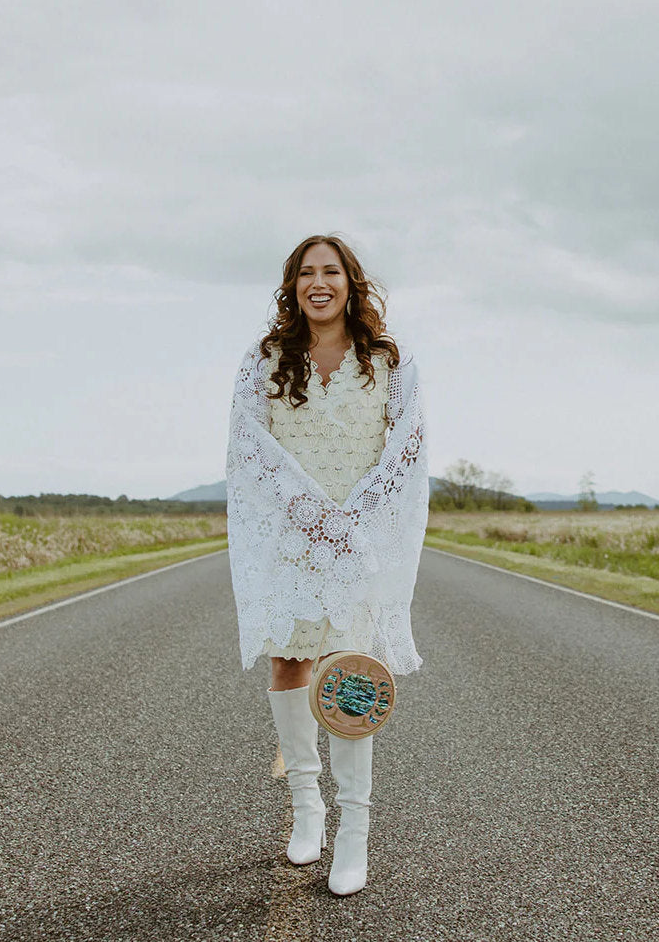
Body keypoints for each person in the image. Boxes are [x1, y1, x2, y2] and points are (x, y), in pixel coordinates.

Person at [225, 233, 428, 896]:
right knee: (291, 661)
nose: (319, 281)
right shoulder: (263, 361)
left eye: (330, 271)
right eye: (306, 272)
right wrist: (309, 513)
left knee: (349, 675)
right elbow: (249, 446)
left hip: (358, 541)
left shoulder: (388, 361)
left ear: (350, 282)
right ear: (292, 285)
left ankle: (354, 833)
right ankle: (306, 808)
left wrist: (352, 519)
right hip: (292, 537)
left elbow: (406, 448)